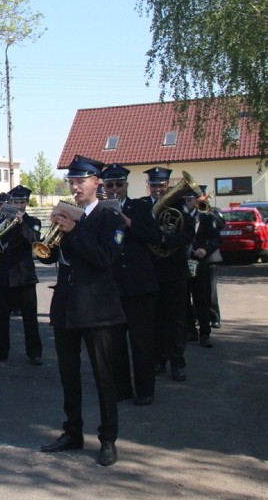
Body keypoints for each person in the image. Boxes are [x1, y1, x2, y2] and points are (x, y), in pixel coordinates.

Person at [38, 155, 126, 467]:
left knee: (104, 376)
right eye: (72, 181)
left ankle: (108, 439)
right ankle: (72, 431)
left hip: (98, 307)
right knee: (68, 374)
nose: (75, 187)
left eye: (81, 181)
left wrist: (75, 230)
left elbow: (104, 259)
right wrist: (47, 240)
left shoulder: (109, 217)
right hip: (65, 306)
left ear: (96, 182)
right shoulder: (67, 214)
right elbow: (52, 258)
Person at [101, 164, 161, 406]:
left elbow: (156, 236)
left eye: (119, 184)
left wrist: (129, 222)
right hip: (113, 286)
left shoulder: (141, 207)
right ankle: (121, 388)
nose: (114, 189)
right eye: (109, 185)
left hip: (139, 285)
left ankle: (145, 390)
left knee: (142, 341)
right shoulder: (99, 212)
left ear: (126, 185)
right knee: (114, 342)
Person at [142, 167, 195, 382]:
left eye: (161, 185)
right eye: (154, 184)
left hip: (175, 272)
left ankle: (177, 362)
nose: (157, 189)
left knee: (177, 320)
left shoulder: (178, 207)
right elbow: (140, 233)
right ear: (149, 185)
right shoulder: (142, 207)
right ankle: (158, 359)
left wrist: (164, 240)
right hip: (151, 271)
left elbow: (187, 235)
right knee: (154, 319)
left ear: (167, 185)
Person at [0, 185, 43, 365]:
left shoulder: (32, 221)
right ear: (10, 202)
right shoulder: (2, 220)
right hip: (3, 275)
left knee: (29, 317)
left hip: (24, 276)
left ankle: (34, 352)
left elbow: (34, 240)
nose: (18, 206)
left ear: (26, 203)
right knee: (2, 317)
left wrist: (21, 224)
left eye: (22, 202)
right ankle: (0, 351)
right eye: (15, 202)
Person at [184, 185, 223, 348]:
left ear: (196, 200)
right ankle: (191, 330)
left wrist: (205, 250)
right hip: (183, 262)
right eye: (185, 200)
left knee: (201, 298)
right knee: (184, 298)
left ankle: (205, 333)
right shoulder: (181, 217)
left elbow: (216, 239)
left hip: (200, 262)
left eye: (190, 199)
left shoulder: (206, 217)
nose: (188, 202)